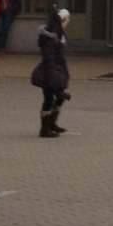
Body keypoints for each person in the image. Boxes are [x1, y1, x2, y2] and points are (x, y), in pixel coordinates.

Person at [32, 8, 71, 137]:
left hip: (57, 71)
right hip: (49, 72)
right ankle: (44, 129)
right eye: (66, 21)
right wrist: (53, 78)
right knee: (49, 99)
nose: (67, 24)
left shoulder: (59, 34)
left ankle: (51, 124)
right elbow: (49, 59)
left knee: (59, 98)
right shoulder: (51, 37)